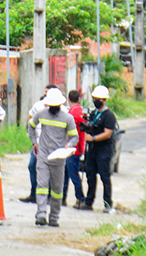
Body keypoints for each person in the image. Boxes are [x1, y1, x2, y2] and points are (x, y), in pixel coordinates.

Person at [27, 87, 77, 227]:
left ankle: (54, 216)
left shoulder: (67, 118)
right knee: (42, 186)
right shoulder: (41, 114)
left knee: (56, 189)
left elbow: (75, 136)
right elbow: (31, 125)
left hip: (58, 157)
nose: (53, 108)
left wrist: (69, 146)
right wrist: (34, 142)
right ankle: (41, 214)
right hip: (43, 155)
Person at [76, 85, 118, 213]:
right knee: (90, 176)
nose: (97, 101)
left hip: (103, 150)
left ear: (105, 100)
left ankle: (107, 203)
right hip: (92, 150)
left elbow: (108, 133)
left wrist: (93, 138)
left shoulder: (109, 115)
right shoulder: (94, 113)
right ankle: (89, 202)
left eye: (99, 99)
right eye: (95, 98)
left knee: (104, 176)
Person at [19, 84, 57, 203]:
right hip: (38, 142)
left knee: (50, 168)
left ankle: (50, 195)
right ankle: (34, 193)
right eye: (45, 91)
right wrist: (34, 134)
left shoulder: (60, 108)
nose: (46, 94)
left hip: (52, 143)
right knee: (32, 166)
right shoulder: (39, 105)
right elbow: (30, 119)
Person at [62, 89, 86, 207]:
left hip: (72, 148)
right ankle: (63, 197)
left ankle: (80, 198)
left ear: (68, 99)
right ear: (79, 99)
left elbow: (67, 132)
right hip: (79, 146)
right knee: (68, 173)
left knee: (72, 174)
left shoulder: (70, 114)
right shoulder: (81, 112)